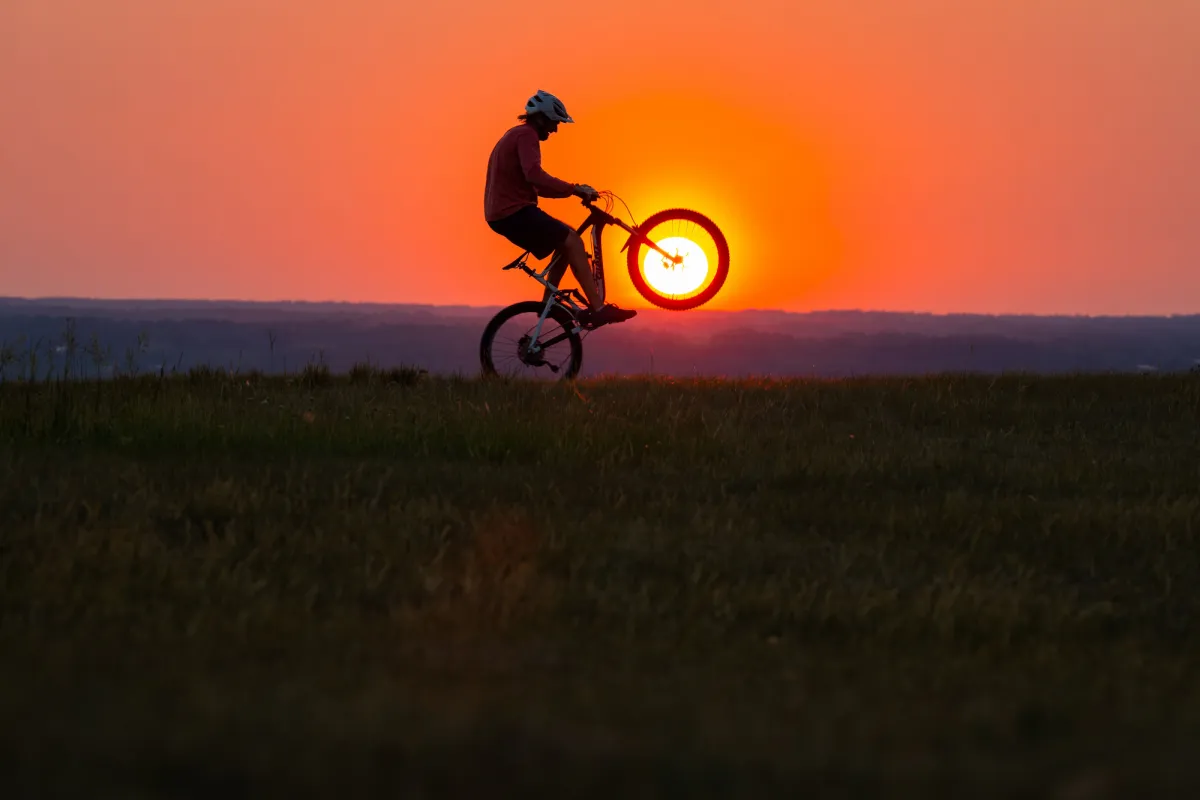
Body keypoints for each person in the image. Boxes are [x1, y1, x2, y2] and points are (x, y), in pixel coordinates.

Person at [484, 90, 636, 327]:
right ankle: (598, 308)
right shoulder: (526, 135)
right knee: (573, 240)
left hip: (505, 213)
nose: (555, 130)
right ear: (541, 118)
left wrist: (572, 191)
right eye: (554, 123)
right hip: (512, 213)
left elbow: (537, 187)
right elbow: (534, 175)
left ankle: (548, 305)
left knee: (566, 240)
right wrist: (575, 189)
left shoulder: (517, 134)